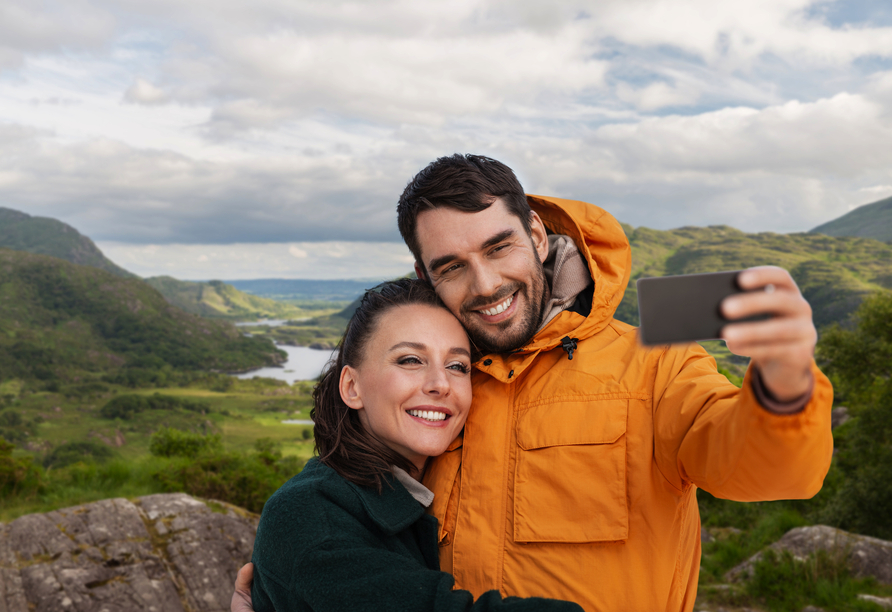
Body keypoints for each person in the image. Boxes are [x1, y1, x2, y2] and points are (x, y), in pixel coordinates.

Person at [234, 155, 833, 612]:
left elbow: (775, 470)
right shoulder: (438, 390)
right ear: (425, 275)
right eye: (452, 266)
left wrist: (784, 380)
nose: (487, 283)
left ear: (538, 237)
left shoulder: (654, 367)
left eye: (500, 247)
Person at [246, 278, 583, 612]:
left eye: (457, 366)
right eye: (410, 360)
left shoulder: (421, 491)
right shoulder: (310, 516)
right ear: (352, 387)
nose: (440, 384)